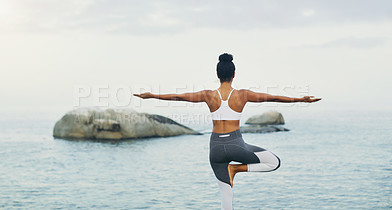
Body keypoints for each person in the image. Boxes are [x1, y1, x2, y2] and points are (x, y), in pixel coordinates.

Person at [133, 53, 321, 209]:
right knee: (274, 162)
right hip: (236, 145)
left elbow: (178, 97)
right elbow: (273, 98)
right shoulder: (242, 95)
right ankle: (236, 168)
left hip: (215, 149)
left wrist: (152, 96)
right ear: (234, 74)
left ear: (217, 74)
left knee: (226, 197)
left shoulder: (208, 95)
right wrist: (300, 100)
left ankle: (232, 171)